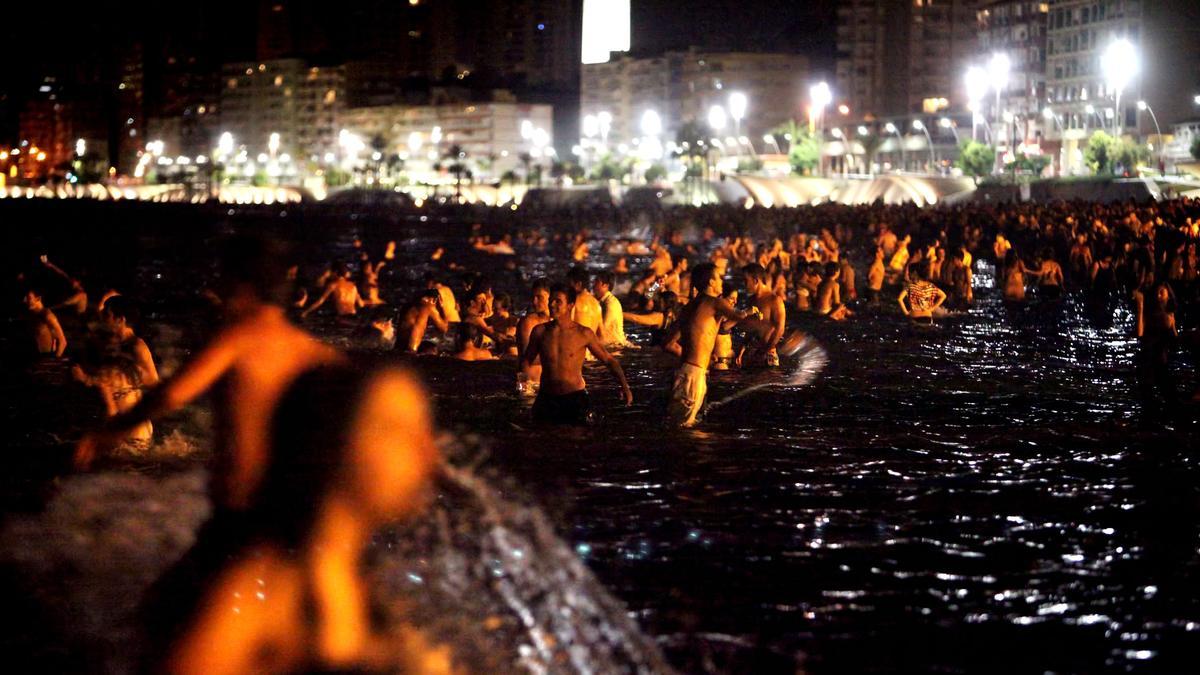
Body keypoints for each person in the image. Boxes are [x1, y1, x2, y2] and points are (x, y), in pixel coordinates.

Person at [162, 365, 451, 675]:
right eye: (395, 429)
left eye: (423, 430)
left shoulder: (355, 580)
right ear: (333, 444)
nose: (427, 453)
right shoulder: (261, 595)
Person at [76, 235, 345, 511]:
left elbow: (170, 395)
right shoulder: (315, 350)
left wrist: (108, 434)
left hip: (246, 500)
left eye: (223, 280)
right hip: (301, 499)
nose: (219, 289)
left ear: (243, 286)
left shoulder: (238, 339)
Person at [520, 284, 632, 425]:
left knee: (576, 440)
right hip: (546, 397)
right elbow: (526, 361)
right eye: (551, 300)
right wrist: (523, 386)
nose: (552, 304)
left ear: (570, 305)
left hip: (574, 399)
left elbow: (608, 360)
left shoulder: (583, 333)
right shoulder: (540, 331)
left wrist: (625, 387)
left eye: (558, 301)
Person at [664, 263, 760, 427]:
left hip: (684, 372)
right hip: (693, 377)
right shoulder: (715, 303)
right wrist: (753, 314)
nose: (722, 281)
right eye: (719, 277)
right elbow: (738, 317)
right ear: (710, 282)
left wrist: (696, 357)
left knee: (682, 427)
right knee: (684, 431)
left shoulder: (689, 306)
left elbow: (668, 343)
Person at [740, 263, 786, 366]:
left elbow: (780, 329)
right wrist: (741, 350)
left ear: (756, 281)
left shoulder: (775, 300)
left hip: (768, 354)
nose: (744, 284)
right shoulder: (751, 300)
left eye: (745, 281)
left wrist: (764, 351)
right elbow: (751, 328)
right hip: (754, 352)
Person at [516, 278, 552, 396]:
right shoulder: (528, 322)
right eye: (533, 297)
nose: (534, 301)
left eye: (539, 297)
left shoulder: (558, 322)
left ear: (550, 297)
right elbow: (527, 356)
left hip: (548, 383)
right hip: (527, 384)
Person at [594, 270, 634, 350]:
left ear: (605, 285)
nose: (593, 286)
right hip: (613, 345)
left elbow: (603, 334)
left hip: (616, 347)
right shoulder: (602, 301)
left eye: (596, 283)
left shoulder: (610, 304)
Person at [22, 288, 68, 358]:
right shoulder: (32, 315)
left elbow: (63, 342)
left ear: (38, 298)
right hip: (35, 357)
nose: (24, 300)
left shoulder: (47, 315)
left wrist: (53, 361)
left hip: (46, 357)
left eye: (28, 298)